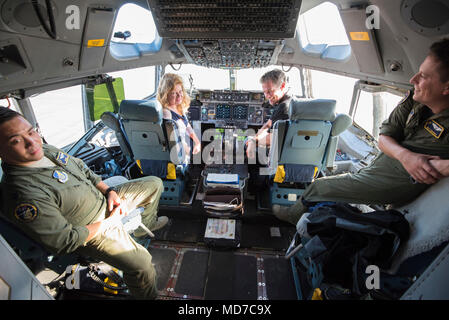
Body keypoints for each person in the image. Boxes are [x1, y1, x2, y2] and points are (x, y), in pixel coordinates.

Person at [273, 38, 449, 225]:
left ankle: (291, 217)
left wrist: (438, 167)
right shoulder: (415, 98)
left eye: (423, 76)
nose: (413, 79)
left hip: (391, 183)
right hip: (379, 166)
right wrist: (407, 157)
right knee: (330, 180)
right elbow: (384, 137)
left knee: (319, 185)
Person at [0, 106, 168, 299]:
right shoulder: (23, 193)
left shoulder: (44, 150)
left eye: (31, 132)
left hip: (105, 201)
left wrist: (109, 191)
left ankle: (141, 230)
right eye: (15, 141)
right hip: (93, 232)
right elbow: (64, 241)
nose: (31, 142)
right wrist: (109, 223)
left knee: (154, 184)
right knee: (142, 264)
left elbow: (81, 168)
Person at [246, 69, 291, 159]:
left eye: (270, 91)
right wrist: (255, 138)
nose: (267, 96)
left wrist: (253, 141)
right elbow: (268, 124)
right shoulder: (282, 102)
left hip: (282, 151)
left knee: (244, 144)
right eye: (264, 92)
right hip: (284, 149)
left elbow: (276, 138)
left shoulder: (285, 107)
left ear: (282, 86)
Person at [157, 73, 201, 158]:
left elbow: (187, 125)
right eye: (174, 93)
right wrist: (188, 152)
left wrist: (197, 142)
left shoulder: (178, 107)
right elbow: (174, 141)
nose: (179, 96)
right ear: (166, 95)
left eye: (180, 91)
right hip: (177, 157)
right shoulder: (166, 113)